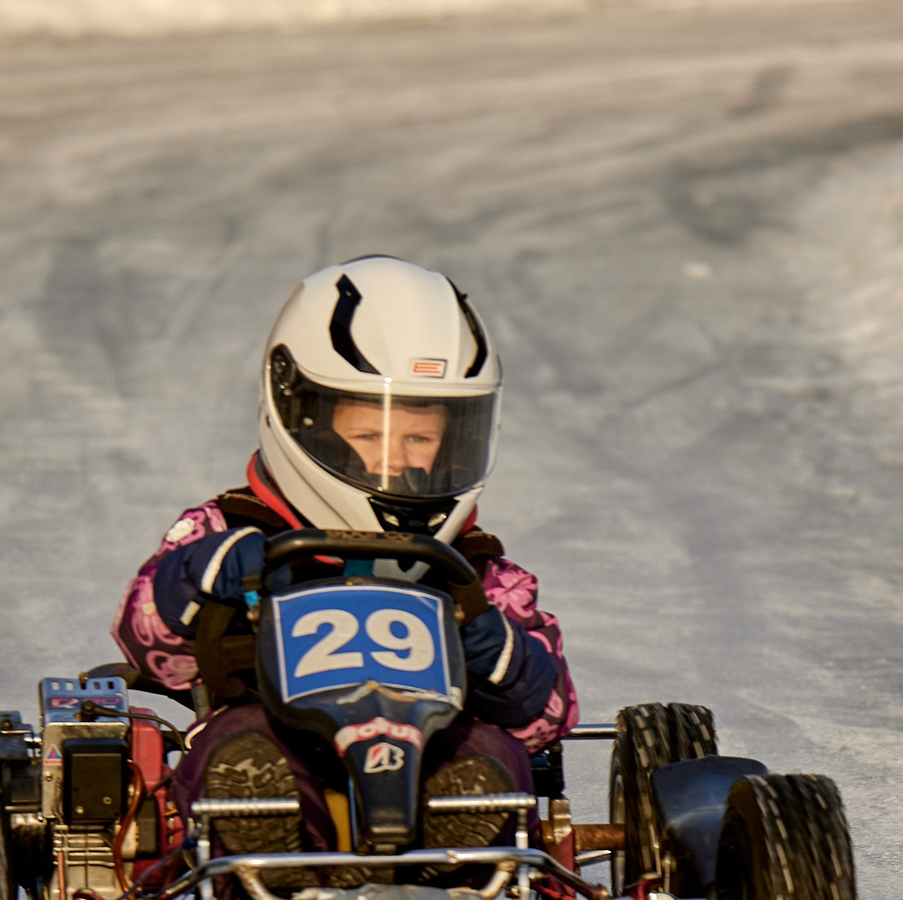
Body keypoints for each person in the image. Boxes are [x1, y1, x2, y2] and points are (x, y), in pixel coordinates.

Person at [110, 256, 578, 853]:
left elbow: (546, 717)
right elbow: (149, 646)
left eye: (421, 439)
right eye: (368, 435)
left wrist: (494, 647)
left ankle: (459, 866)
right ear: (305, 417)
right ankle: (271, 867)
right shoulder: (224, 530)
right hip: (271, 733)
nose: (395, 460)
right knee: (242, 748)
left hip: (433, 746)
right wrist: (199, 577)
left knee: (485, 754)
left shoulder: (479, 573)